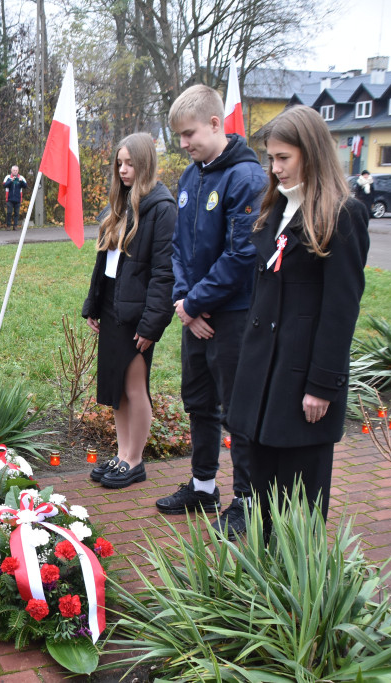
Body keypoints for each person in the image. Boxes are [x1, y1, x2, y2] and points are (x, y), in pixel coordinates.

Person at [226, 105, 370, 526]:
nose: (275, 168)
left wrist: (322, 386)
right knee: (264, 502)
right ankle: (265, 581)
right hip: (263, 379)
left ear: (311, 153)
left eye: (283, 158)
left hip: (302, 380)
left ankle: (293, 584)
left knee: (299, 510)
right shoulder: (276, 208)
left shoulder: (343, 214)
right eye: (271, 158)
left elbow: (341, 308)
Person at [154, 84, 265, 540]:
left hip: (233, 316)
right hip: (193, 314)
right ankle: (203, 488)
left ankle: (247, 501)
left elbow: (241, 256)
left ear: (217, 124)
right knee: (199, 402)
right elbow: (179, 248)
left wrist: (196, 303)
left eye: (189, 133)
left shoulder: (247, 179)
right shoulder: (191, 176)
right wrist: (184, 303)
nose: (183, 143)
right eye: (179, 135)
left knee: (237, 411)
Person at [84, 134, 176, 488]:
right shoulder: (116, 206)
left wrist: (152, 324)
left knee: (135, 385)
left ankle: (135, 460)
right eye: (119, 163)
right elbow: (103, 263)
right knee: (118, 386)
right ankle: (123, 454)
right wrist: (93, 304)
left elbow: (164, 273)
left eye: (130, 163)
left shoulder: (162, 209)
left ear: (146, 164)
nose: (123, 170)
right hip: (111, 307)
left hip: (138, 314)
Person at [3, 166, 29, 230]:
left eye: (16, 170)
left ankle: (15, 226)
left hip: (18, 198)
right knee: (9, 212)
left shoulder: (21, 177)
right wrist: (11, 181)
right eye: (14, 170)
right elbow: (4, 185)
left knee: (17, 213)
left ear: (18, 171)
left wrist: (21, 181)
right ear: (11, 170)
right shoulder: (8, 177)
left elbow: (25, 186)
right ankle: (8, 225)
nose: (15, 171)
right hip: (9, 198)